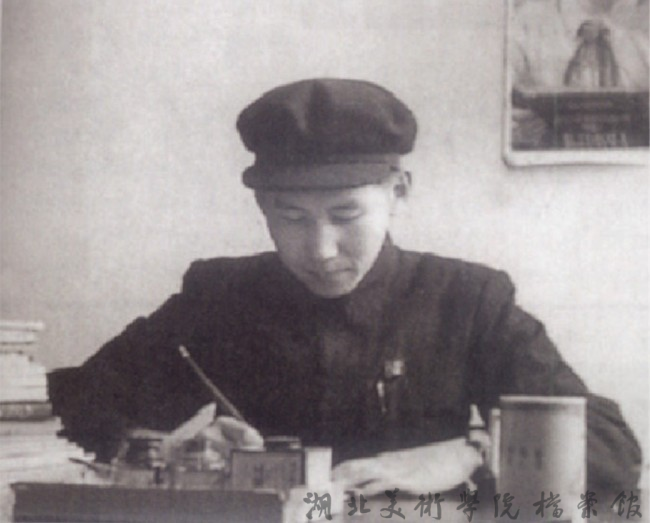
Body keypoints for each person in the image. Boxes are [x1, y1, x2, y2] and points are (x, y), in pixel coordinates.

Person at [49, 78, 641, 497]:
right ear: (261, 207)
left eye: (346, 215)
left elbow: (613, 447)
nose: (321, 249)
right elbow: (74, 403)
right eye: (291, 217)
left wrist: (472, 455)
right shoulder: (218, 296)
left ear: (399, 191)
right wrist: (166, 449)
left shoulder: (468, 300)